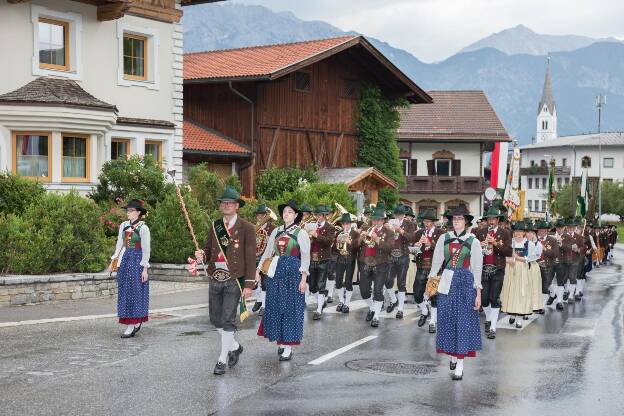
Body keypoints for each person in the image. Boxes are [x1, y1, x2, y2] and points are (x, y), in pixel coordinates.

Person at [194, 186, 256, 376]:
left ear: (237, 206)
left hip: (234, 280)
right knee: (216, 319)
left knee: (228, 319)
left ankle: (221, 359)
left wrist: (249, 284)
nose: (226, 205)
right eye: (223, 202)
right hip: (216, 277)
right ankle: (235, 346)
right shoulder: (216, 226)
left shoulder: (247, 228)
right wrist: (201, 254)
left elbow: (251, 257)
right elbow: (208, 248)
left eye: (229, 203)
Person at [428, 206, 482, 381]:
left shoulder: (473, 241)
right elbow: (436, 263)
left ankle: (460, 364)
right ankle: (452, 354)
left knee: (463, 321)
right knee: (448, 319)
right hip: (446, 281)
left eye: (460, 218)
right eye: (454, 218)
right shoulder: (444, 238)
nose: (457, 221)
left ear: (466, 221)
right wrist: (430, 285)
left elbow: (477, 269)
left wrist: (478, 293)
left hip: (465, 282)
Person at [256, 200, 310, 361]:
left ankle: (288, 347)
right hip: (276, 271)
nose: (286, 214)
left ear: (295, 215)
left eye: (290, 212)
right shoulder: (276, 231)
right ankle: (281, 341)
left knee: (290, 308)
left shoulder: (301, 233)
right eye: (285, 212)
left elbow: (305, 257)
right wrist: (258, 270)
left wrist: (303, 279)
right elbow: (267, 253)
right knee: (276, 305)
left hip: (293, 273)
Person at [110, 199, 151, 339]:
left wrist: (145, 269)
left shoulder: (143, 228)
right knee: (125, 291)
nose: (128, 213)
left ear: (138, 213)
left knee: (136, 292)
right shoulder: (123, 225)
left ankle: (133, 324)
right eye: (127, 210)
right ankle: (131, 321)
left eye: (131, 210)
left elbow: (146, 250)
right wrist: (114, 259)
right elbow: (119, 243)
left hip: (137, 261)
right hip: (125, 260)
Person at [473, 207, 512, 339]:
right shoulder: (480, 232)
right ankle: (489, 319)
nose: (491, 221)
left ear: (498, 220)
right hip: (483, 269)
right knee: (484, 299)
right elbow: (475, 252)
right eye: (489, 219)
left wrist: (495, 243)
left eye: (493, 219)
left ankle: (493, 327)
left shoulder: (505, 233)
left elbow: (508, 252)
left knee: (494, 298)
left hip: (498, 268)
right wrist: (481, 246)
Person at [358, 206, 395, 327]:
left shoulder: (389, 232)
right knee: (364, 291)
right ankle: (373, 308)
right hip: (366, 263)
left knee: (378, 290)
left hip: (381, 264)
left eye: (379, 220)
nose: (376, 222)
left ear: (383, 220)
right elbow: (362, 246)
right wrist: (361, 238)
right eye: (374, 220)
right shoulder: (368, 229)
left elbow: (390, 249)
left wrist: (377, 239)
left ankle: (376, 316)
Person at [412, 208, 443, 333]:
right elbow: (414, 251)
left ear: (434, 222)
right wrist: (415, 246)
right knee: (417, 294)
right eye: (425, 221)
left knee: (434, 295)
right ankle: (425, 311)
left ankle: (433, 321)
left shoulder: (441, 233)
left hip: (434, 268)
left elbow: (442, 250)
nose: (426, 223)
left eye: (429, 221)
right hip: (421, 266)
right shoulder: (419, 233)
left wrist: (430, 243)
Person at [501, 221, 536, 328]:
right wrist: (509, 259)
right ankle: (512, 313)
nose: (518, 233)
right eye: (516, 231)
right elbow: (503, 255)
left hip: (523, 269)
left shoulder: (529, 244)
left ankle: (519, 318)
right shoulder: (510, 243)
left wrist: (517, 257)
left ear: (524, 233)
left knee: (521, 292)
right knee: (510, 292)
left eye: (520, 231)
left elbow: (531, 258)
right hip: (510, 269)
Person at [385, 205, 416, 318]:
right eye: (397, 214)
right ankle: (393, 300)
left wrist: (401, 231)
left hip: (403, 255)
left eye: (400, 214)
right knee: (388, 281)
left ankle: (400, 309)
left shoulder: (409, 224)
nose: (398, 216)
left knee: (401, 283)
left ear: (404, 215)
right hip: (391, 256)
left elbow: (412, 238)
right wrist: (387, 229)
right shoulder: (390, 222)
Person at [306, 204, 335, 320]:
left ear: (324, 216)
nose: (317, 217)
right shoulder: (312, 226)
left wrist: (316, 235)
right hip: (312, 258)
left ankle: (319, 310)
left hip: (323, 259)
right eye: (316, 214)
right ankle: (321, 302)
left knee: (321, 284)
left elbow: (328, 241)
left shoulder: (330, 227)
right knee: (312, 286)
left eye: (319, 215)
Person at [252, 203, 277, 315]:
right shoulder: (255, 228)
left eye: (262, 215)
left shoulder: (273, 228)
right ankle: (259, 300)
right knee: (253, 282)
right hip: (255, 256)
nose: (260, 217)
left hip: (267, 258)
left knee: (265, 282)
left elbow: (274, 244)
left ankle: (264, 306)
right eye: (258, 215)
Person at [334, 213, 360, 313]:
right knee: (339, 281)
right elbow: (335, 249)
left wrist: (350, 242)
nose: (345, 226)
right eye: (344, 224)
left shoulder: (355, 233)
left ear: (350, 224)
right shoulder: (339, 233)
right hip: (340, 259)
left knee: (348, 282)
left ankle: (347, 303)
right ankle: (341, 301)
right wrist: (337, 242)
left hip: (350, 260)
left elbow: (357, 246)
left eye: (347, 224)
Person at [535, 220, 559, 312]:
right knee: (538, 285)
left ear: (547, 231)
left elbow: (555, 254)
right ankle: (552, 294)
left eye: (543, 230)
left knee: (545, 286)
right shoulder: (534, 239)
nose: (541, 232)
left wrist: (544, 249)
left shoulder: (552, 240)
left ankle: (542, 306)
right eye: (540, 230)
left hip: (548, 266)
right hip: (536, 266)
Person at [524, 221, 544, 314]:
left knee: (534, 286)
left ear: (534, 234)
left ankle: (534, 305)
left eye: (532, 232)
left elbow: (536, 256)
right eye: (528, 232)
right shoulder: (521, 243)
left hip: (532, 266)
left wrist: (524, 258)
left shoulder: (538, 244)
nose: (529, 234)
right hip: (522, 266)